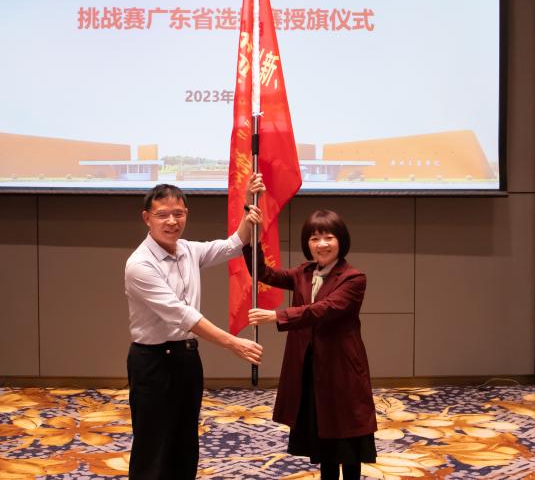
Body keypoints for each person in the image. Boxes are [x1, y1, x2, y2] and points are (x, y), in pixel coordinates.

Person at [124, 178, 265, 480]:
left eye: (178, 213)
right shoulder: (140, 264)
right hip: (153, 362)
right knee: (153, 446)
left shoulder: (188, 250)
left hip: (187, 358)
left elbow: (233, 245)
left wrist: (248, 206)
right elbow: (183, 315)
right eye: (162, 214)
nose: (172, 221)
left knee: (184, 441)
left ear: (186, 214)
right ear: (146, 218)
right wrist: (233, 343)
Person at [247, 209, 377, 480]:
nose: (322, 244)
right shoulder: (304, 272)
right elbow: (264, 273)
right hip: (311, 368)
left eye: (329, 237)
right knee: (323, 435)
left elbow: (324, 309)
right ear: (307, 243)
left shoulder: (353, 278)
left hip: (342, 370)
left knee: (348, 437)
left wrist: (278, 315)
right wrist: (252, 238)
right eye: (314, 238)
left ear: (341, 240)